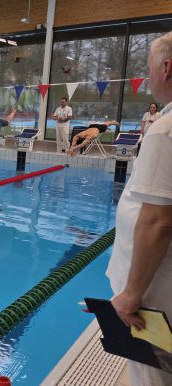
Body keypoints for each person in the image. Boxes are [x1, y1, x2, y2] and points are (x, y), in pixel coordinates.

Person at [108, 31, 172, 386]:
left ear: (167, 67)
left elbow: (158, 221)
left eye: (149, 68)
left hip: (155, 290)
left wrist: (132, 294)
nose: (147, 77)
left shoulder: (165, 130)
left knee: (151, 373)